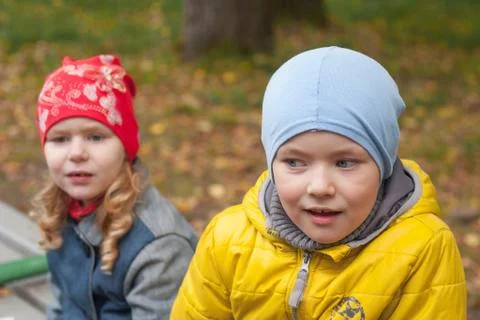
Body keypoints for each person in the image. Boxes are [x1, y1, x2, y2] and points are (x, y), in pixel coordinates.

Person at [171, 46, 466, 319]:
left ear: (383, 163)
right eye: (295, 163)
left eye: (345, 163)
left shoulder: (422, 247)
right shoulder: (227, 240)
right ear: (271, 164)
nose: (320, 186)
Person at [32, 54, 198, 319]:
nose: (76, 153)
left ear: (125, 147)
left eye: (95, 137)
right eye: (60, 139)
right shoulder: (61, 210)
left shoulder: (159, 245)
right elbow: (64, 306)